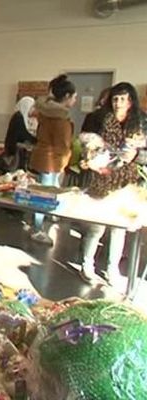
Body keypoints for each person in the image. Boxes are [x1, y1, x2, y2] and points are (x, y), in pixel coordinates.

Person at [79, 82, 146, 287]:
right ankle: (86, 265)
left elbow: (144, 155)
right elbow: (86, 146)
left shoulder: (140, 123)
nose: (118, 103)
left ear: (130, 101)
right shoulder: (100, 119)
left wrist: (136, 155)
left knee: (119, 229)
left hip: (127, 183)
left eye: (123, 99)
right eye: (115, 99)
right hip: (102, 181)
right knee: (96, 227)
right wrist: (89, 158)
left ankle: (111, 269)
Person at [28, 74, 77, 245]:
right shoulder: (61, 118)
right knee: (44, 195)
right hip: (52, 159)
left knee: (43, 192)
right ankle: (37, 229)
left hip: (43, 156)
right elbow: (63, 145)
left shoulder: (45, 112)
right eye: (74, 96)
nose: (75, 100)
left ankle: (39, 225)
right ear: (66, 97)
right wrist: (68, 161)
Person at [3, 96, 37, 170]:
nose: (33, 110)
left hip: (14, 150)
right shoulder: (18, 118)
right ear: (26, 106)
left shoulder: (19, 116)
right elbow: (24, 135)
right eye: (32, 107)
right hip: (14, 152)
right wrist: (37, 140)